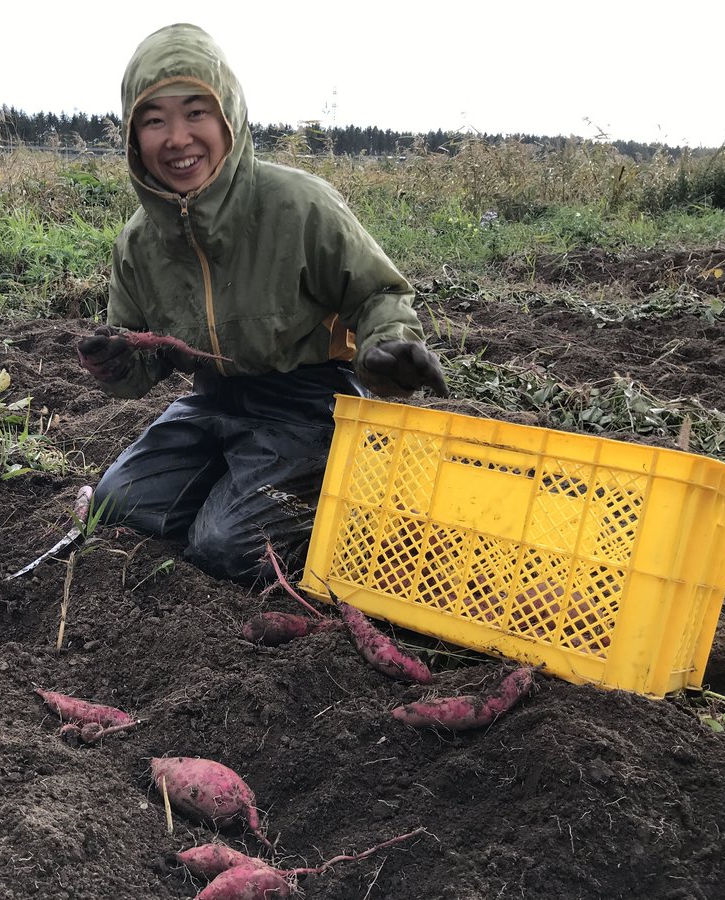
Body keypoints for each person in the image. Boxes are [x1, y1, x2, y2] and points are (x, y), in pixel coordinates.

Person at [77, 22, 447, 584]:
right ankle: (237, 489)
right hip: (213, 401)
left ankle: (331, 492)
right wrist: (117, 361)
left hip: (306, 403)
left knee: (225, 549)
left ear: (230, 117)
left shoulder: (298, 205)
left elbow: (378, 294)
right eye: (155, 120)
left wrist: (387, 346)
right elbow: (141, 359)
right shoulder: (138, 242)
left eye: (196, 112)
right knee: (119, 507)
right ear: (134, 136)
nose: (177, 138)